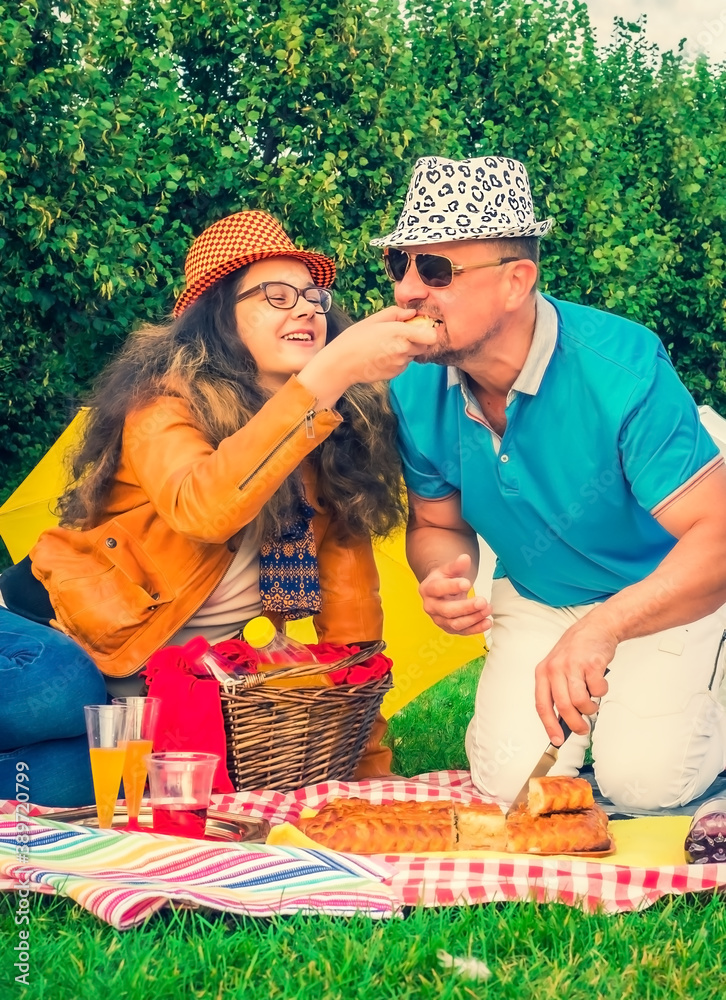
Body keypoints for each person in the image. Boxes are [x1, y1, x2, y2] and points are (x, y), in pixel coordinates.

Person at [0, 210, 435, 806]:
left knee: (81, 785)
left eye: (313, 296)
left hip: (142, 693)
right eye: (277, 295)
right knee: (57, 687)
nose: (308, 308)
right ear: (217, 318)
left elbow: (351, 622)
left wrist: (366, 764)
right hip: (45, 631)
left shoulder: (327, 440)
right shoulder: (162, 404)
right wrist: (330, 374)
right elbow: (204, 507)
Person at [372, 154, 726, 812]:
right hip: (540, 597)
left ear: (516, 281)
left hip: (665, 594)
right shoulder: (412, 382)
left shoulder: (620, 367)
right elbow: (437, 523)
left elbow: (719, 537)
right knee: (506, 788)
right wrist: (443, 575)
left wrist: (606, 628)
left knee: (645, 785)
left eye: (436, 269)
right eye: (400, 264)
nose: (407, 291)